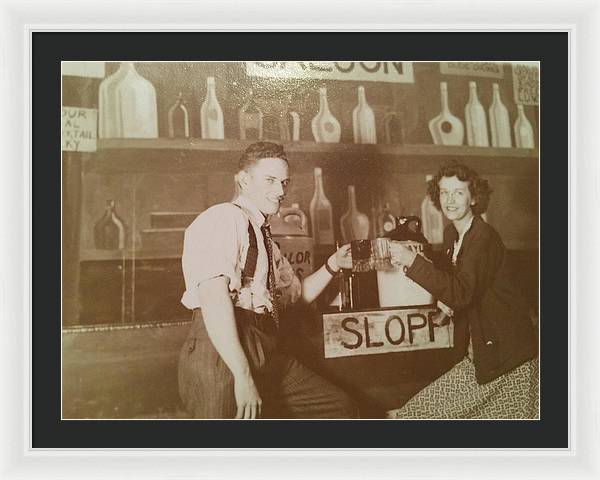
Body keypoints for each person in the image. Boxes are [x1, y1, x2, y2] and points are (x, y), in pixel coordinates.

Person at [178, 141, 358, 419]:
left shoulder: (264, 238)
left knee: (339, 408)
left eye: (284, 182)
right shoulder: (223, 218)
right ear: (244, 180)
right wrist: (242, 374)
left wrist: (333, 265)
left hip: (262, 345)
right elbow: (213, 298)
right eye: (270, 180)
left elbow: (295, 296)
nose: (280, 191)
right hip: (221, 349)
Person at [386, 161, 539, 419]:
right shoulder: (452, 235)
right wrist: (446, 306)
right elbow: (460, 285)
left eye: (458, 192)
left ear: (473, 197)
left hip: (510, 360)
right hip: (482, 354)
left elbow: (462, 292)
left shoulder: (484, 237)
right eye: (444, 192)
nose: (450, 200)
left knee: (414, 416)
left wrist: (412, 261)